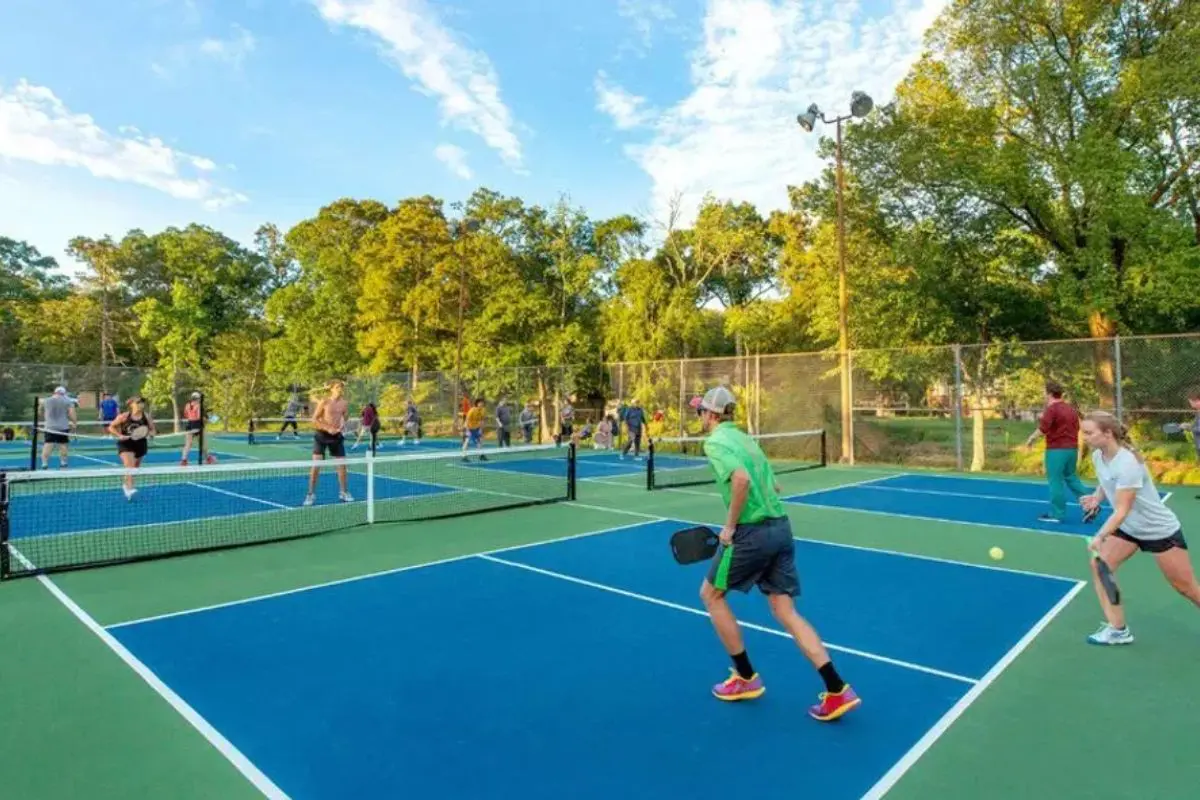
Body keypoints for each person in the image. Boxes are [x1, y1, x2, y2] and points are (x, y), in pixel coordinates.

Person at [689, 386, 861, 721]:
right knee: (785, 609)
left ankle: (744, 678)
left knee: (710, 595)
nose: (698, 416)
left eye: (700, 411)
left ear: (711, 415)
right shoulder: (745, 439)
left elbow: (740, 480)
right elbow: (772, 483)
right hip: (781, 528)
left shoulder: (715, 442)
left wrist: (728, 528)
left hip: (752, 533)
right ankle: (837, 689)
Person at [1079, 410, 1200, 645]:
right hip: (1130, 530)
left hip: (1159, 531)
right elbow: (1107, 482)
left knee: (1186, 588)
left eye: (1089, 433)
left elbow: (1122, 510)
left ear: (1107, 433)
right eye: (1084, 432)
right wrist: (1096, 498)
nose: (1085, 437)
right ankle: (1118, 629)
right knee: (1100, 565)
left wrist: (1100, 535)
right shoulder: (1098, 456)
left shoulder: (1128, 464)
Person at [1024, 380, 1089, 522]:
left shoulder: (1052, 409)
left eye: (1044, 392)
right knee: (1071, 477)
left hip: (1057, 450)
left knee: (1055, 481)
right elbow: (1077, 427)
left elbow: (1043, 428)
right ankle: (1090, 505)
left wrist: (1031, 439)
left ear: (1048, 393)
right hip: (1072, 449)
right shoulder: (1071, 409)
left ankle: (1057, 514)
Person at [304, 381, 353, 506]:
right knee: (316, 465)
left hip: (336, 436)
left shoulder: (345, 403)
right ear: (331, 389)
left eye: (341, 387)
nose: (340, 389)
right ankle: (310, 494)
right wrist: (327, 428)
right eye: (337, 387)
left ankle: (344, 492)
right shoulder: (324, 401)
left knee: (342, 466)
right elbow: (314, 419)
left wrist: (342, 425)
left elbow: (345, 417)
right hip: (321, 435)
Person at [107, 395, 156, 500]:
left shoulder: (146, 416)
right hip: (126, 443)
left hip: (140, 444)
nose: (141, 405)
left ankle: (126, 485)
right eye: (138, 402)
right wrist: (119, 435)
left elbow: (152, 429)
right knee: (129, 466)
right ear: (131, 404)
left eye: (142, 403)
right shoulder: (124, 416)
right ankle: (130, 488)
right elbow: (111, 427)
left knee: (135, 468)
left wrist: (151, 434)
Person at [40, 386, 77, 469]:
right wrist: (74, 423)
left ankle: (44, 463)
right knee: (63, 445)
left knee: (48, 444)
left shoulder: (46, 400)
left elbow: (40, 411)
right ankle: (63, 462)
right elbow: (72, 414)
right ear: (64, 393)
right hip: (63, 427)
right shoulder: (68, 401)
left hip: (49, 427)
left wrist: (45, 417)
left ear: (54, 392)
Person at [180, 392, 204, 465]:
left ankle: (183, 460)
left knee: (188, 444)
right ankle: (208, 458)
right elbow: (198, 416)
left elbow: (186, 414)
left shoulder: (187, 405)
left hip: (189, 424)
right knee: (202, 443)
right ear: (198, 399)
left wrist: (191, 415)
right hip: (196, 424)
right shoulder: (198, 405)